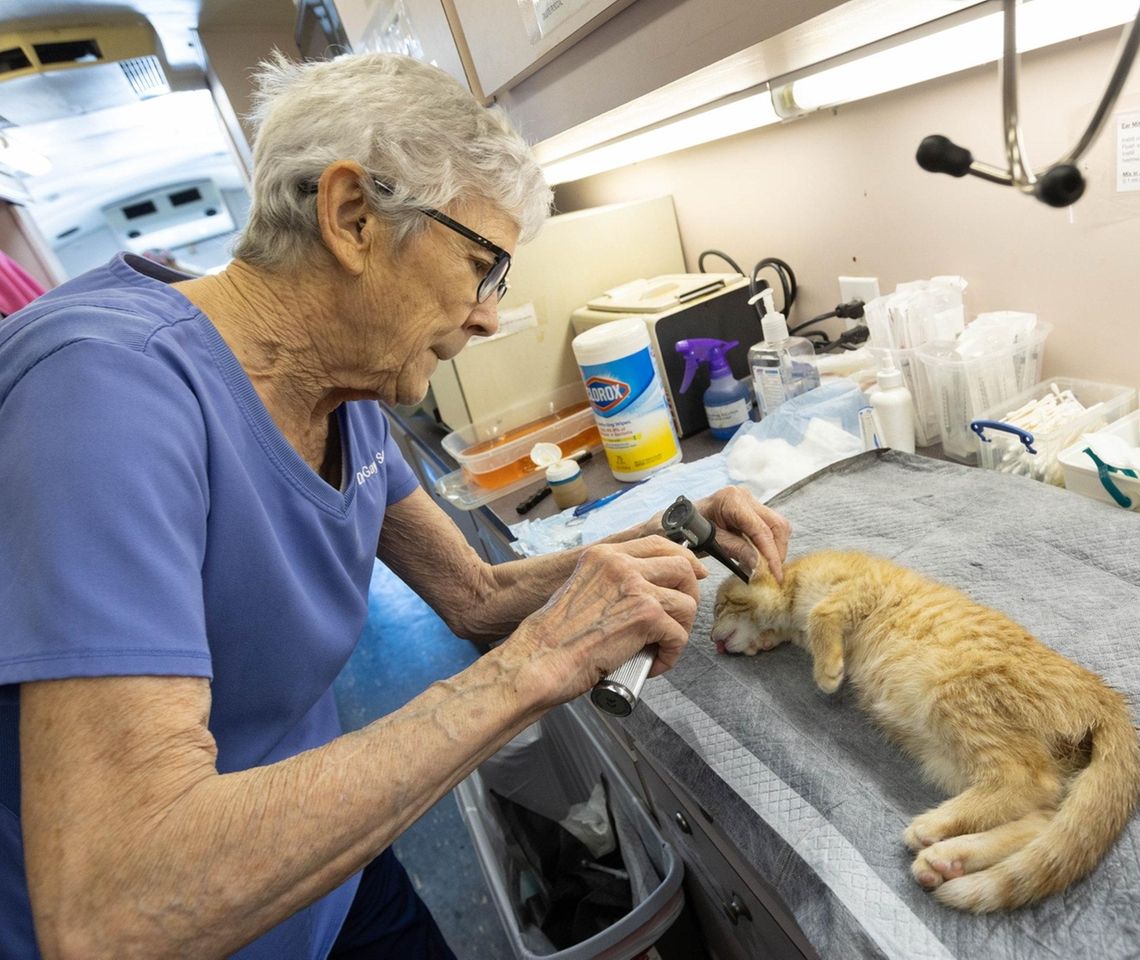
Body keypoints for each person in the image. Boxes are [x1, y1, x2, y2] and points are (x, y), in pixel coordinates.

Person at [0, 53, 789, 959]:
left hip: (327, 861)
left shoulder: (347, 394)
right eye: (482, 266)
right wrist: (539, 662)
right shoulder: (104, 394)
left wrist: (663, 533)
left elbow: (478, 596)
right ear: (352, 217)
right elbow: (118, 908)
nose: (491, 316)